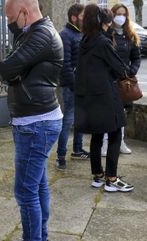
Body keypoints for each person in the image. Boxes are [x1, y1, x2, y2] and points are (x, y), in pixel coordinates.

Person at [0, 0, 63, 241]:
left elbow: (6, 69)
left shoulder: (40, 35)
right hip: (36, 120)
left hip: (36, 124)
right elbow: (13, 69)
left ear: (24, 12)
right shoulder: (33, 34)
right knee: (37, 185)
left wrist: (14, 72)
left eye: (11, 18)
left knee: (25, 191)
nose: (9, 24)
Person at [74, 5, 134, 192]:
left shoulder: (85, 40)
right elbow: (120, 67)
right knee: (115, 134)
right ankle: (112, 178)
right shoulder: (102, 41)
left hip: (90, 97)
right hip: (106, 95)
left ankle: (98, 175)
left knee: (97, 136)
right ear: (103, 22)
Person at [100, 3, 142, 157]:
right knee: (107, 113)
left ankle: (121, 142)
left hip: (125, 82)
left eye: (124, 14)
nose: (121, 17)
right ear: (112, 15)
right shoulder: (106, 34)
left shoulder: (130, 35)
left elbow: (136, 58)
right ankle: (105, 143)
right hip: (109, 80)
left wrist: (131, 71)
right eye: (118, 13)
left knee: (122, 114)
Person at [56, 3, 89, 170]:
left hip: (82, 86)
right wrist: (75, 86)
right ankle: (60, 156)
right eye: (83, 17)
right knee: (68, 120)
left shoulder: (80, 34)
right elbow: (66, 65)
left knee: (81, 119)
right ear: (74, 17)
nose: (86, 20)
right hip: (71, 87)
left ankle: (77, 149)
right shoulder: (65, 35)